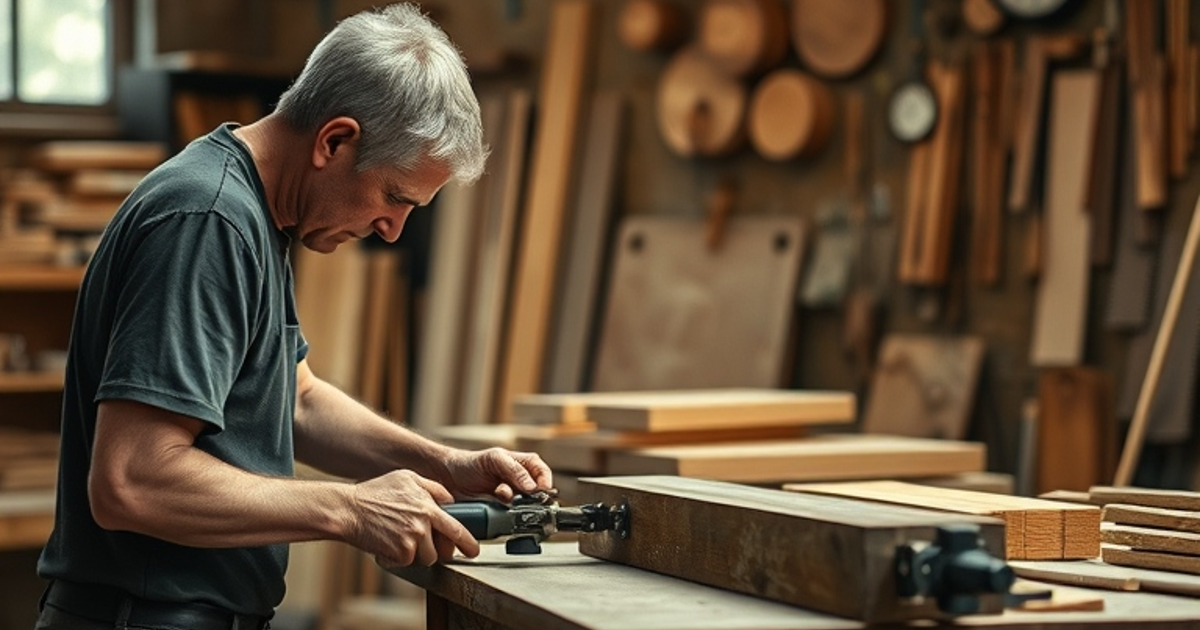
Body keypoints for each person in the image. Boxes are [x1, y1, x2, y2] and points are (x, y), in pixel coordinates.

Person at [34, 4, 552, 629]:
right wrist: (352, 509)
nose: (392, 230)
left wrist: (444, 465)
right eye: (394, 197)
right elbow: (132, 480)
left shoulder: (254, 213)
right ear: (334, 140)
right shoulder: (208, 220)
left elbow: (296, 399)